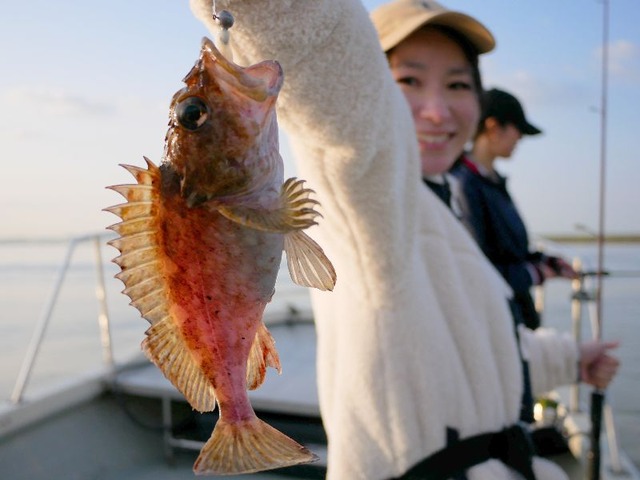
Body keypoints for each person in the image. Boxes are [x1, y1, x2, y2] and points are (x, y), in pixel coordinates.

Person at [190, 1, 619, 479]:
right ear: (370, 84)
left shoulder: (442, 205)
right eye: (408, 81)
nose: (436, 111)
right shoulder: (369, 194)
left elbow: (477, 349)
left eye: (458, 85)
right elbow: (333, 76)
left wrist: (571, 360)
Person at [452, 88, 576, 330]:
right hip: (491, 325)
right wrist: (535, 273)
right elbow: (477, 271)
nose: (520, 139)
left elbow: (509, 251)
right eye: (518, 130)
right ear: (493, 127)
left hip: (516, 320)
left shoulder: (493, 183)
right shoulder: (464, 185)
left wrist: (545, 261)